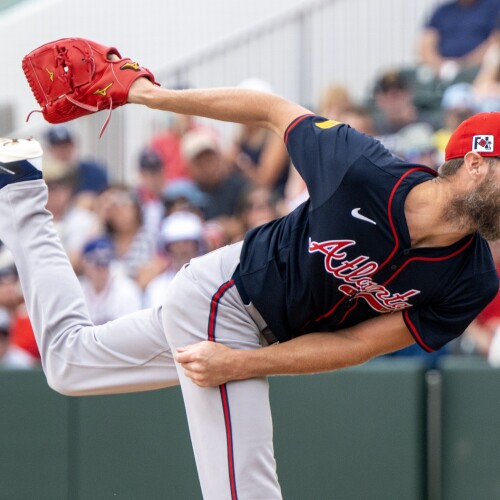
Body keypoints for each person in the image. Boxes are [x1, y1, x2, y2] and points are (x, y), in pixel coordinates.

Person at [1, 74, 499, 500]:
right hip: (226, 297)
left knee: (67, 362)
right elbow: (271, 110)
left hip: (253, 333)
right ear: (476, 163)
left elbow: (357, 343)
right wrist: (147, 95)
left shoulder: (472, 279)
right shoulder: (362, 168)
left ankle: (17, 186)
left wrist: (245, 363)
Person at [419, 0, 500, 82]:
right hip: (441, 72)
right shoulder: (442, 11)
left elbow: (496, 42)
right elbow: (425, 45)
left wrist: (463, 65)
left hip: (480, 72)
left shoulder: (494, 7)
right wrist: (440, 66)